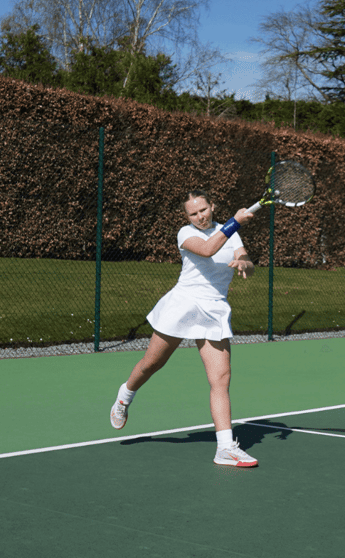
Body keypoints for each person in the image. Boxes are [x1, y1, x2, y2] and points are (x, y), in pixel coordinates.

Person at [109, 190, 260, 468]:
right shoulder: (185, 234)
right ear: (186, 217)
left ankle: (225, 448)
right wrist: (235, 221)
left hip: (214, 309)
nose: (200, 216)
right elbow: (207, 249)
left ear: (212, 206)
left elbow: (248, 264)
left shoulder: (231, 233)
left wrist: (244, 264)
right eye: (193, 213)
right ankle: (125, 395)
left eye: (203, 210)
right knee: (151, 364)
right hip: (184, 304)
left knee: (221, 378)